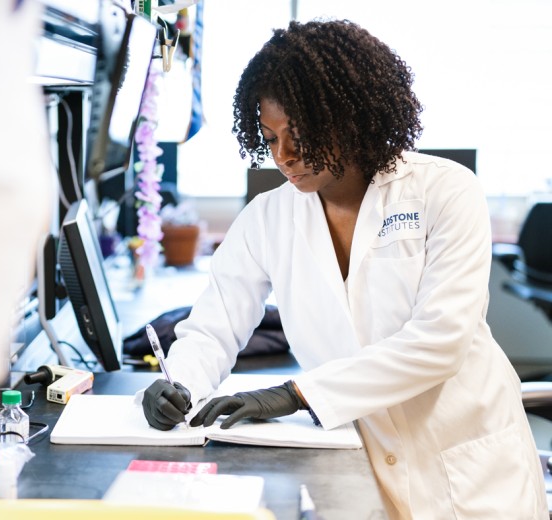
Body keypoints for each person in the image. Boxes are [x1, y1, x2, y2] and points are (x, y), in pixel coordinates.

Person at [141, 19, 546, 519]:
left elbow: (441, 340)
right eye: (270, 138)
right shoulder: (267, 218)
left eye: (299, 135)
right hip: (359, 460)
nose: (284, 156)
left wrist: (296, 394)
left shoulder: (444, 190)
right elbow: (213, 328)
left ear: (349, 116)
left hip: (469, 467)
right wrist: (180, 382)